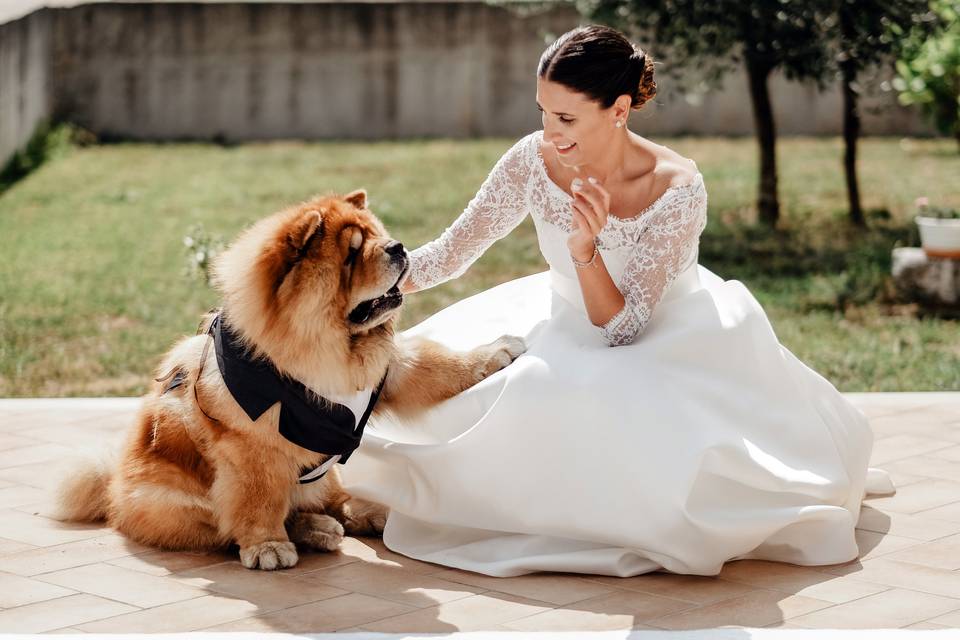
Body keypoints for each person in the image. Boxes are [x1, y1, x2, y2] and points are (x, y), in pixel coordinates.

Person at [340, 24, 895, 578]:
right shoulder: (532, 159)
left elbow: (623, 327)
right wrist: (363, 284)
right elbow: (451, 253)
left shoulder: (676, 188)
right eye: (542, 111)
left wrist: (586, 250)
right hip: (560, 316)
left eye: (566, 118)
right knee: (459, 399)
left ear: (620, 109)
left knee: (558, 399)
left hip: (662, 334)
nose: (548, 131)